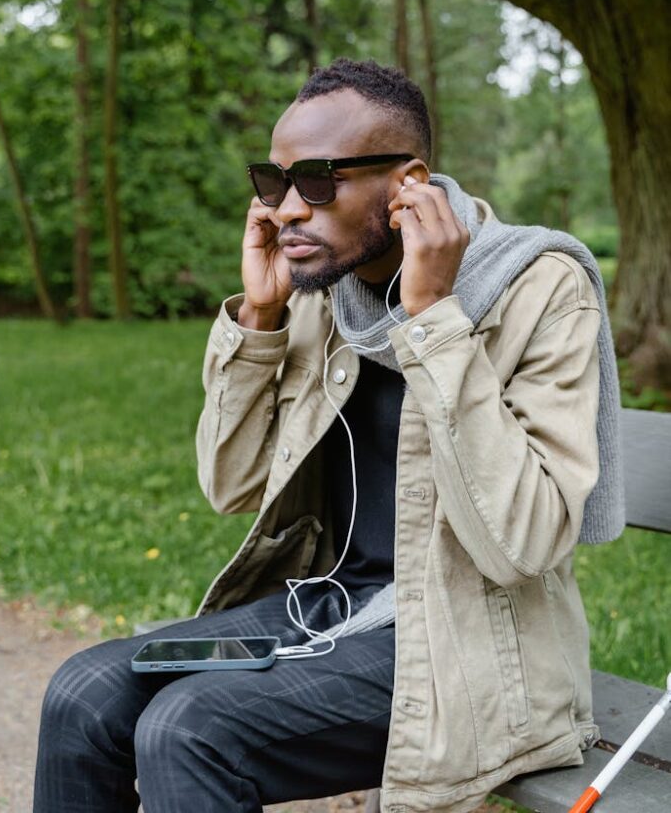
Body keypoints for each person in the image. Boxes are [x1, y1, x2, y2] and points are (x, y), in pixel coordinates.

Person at [34, 58, 624, 813]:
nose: (283, 210)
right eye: (272, 182)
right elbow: (232, 486)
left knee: (188, 728)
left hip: (469, 640)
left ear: (407, 182)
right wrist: (261, 321)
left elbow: (525, 544)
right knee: (81, 695)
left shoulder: (538, 286)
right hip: (329, 610)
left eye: (315, 181)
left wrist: (434, 321)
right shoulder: (324, 290)